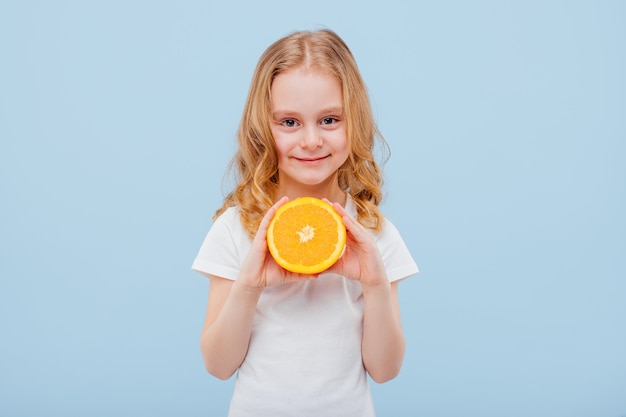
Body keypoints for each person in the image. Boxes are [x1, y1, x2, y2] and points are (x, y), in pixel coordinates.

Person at [192, 29, 419, 417]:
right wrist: (249, 286)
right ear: (263, 128)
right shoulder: (235, 228)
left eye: (329, 119)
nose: (311, 140)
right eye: (289, 122)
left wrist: (375, 284)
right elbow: (218, 365)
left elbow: (385, 370)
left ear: (355, 122)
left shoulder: (374, 233)